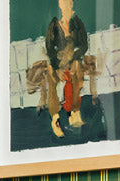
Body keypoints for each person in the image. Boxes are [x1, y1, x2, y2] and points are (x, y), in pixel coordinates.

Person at [45, 0, 89, 137]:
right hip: (58, 61)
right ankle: (55, 117)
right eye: (63, 3)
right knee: (52, 75)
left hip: (73, 59)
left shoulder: (77, 22)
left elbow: (83, 46)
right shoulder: (54, 24)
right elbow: (50, 48)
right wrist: (57, 65)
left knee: (76, 71)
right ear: (59, 5)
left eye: (68, 2)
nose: (65, 5)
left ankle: (73, 111)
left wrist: (73, 58)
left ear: (72, 4)